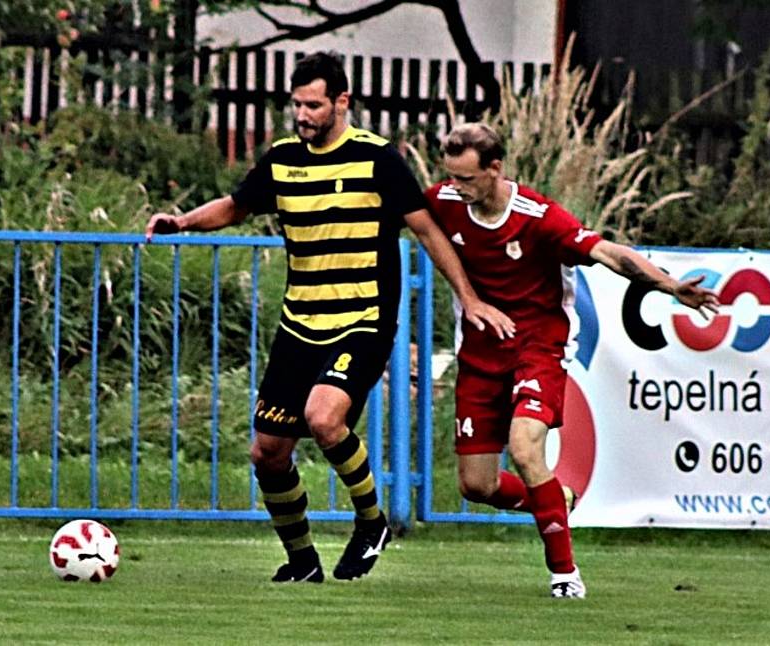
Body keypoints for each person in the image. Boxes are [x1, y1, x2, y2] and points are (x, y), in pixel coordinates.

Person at [145, 54, 514, 583]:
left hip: (362, 318)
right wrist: (181, 222)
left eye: (313, 104)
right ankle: (302, 562)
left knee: (324, 418)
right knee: (268, 453)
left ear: (342, 102)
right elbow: (236, 205)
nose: (302, 114)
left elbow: (429, 232)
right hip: (300, 323)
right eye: (296, 104)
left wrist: (470, 298)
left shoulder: (377, 159)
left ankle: (371, 522)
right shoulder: (283, 160)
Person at [423, 123, 720, 599]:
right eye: (451, 178)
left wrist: (669, 285)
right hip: (480, 354)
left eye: (467, 180)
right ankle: (554, 501)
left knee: (525, 448)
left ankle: (565, 574)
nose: (456, 189)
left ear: (495, 169)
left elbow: (606, 252)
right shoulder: (444, 201)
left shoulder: (538, 216)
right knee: (475, 486)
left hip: (537, 348)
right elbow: (406, 214)